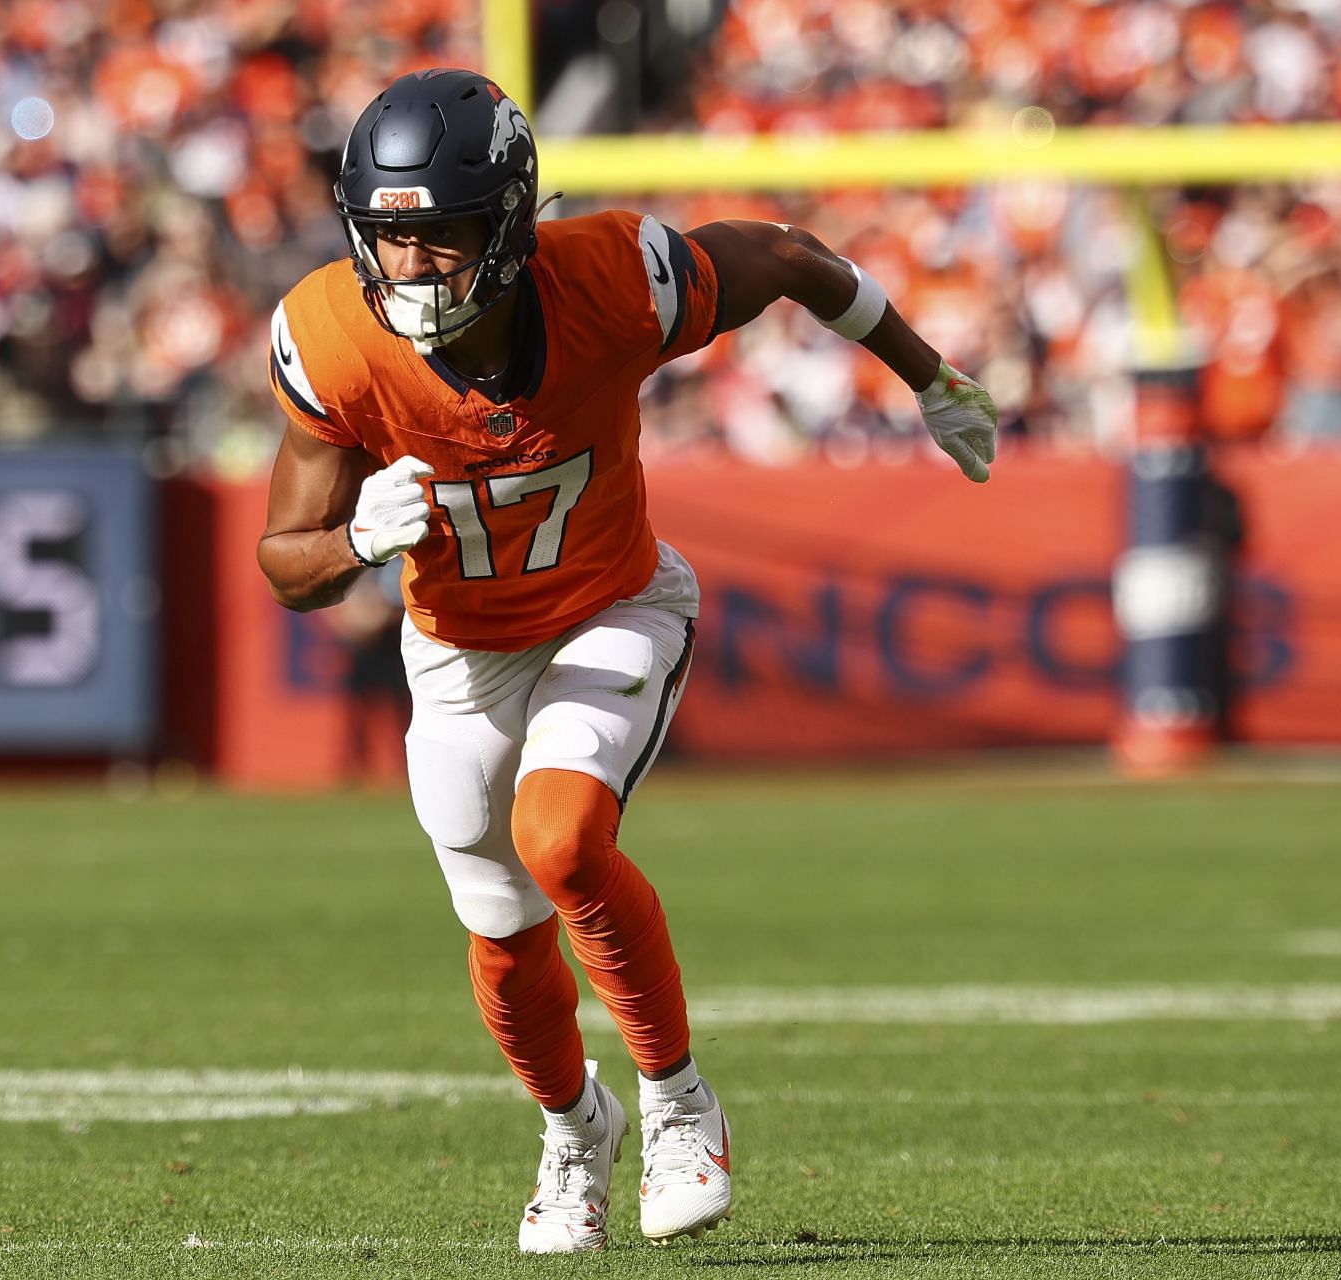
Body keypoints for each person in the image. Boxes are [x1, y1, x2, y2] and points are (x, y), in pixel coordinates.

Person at [256, 67, 998, 1254]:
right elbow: (281, 561)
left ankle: (677, 1098)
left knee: (563, 840)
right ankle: (572, 1127)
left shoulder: (612, 279)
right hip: (457, 653)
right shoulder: (333, 337)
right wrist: (351, 539)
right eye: (390, 241)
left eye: (442, 237)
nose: (413, 270)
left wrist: (928, 374)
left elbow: (791, 255)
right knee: (500, 937)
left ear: (506, 226)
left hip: (613, 604)